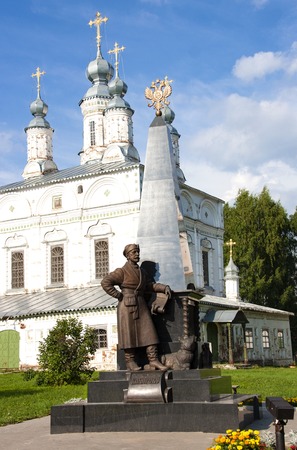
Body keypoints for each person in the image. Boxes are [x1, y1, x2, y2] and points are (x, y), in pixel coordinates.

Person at [101, 243, 171, 371]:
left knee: (150, 333)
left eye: (137, 252)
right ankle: (130, 362)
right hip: (127, 306)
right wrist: (118, 295)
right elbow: (105, 282)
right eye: (134, 252)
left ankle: (153, 360)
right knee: (129, 335)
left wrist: (163, 287)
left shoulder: (142, 272)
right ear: (128, 255)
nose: (137, 254)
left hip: (141, 304)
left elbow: (149, 286)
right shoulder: (122, 271)